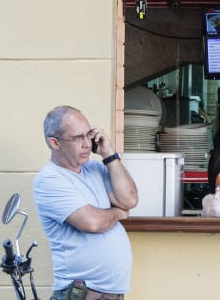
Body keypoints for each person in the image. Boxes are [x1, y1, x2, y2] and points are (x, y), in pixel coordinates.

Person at [33, 105, 139, 300]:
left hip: (110, 295)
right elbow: (91, 222)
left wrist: (109, 155)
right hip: (81, 295)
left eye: (88, 135)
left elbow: (129, 200)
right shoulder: (49, 179)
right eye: (77, 138)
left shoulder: (96, 168)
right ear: (55, 143)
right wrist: (118, 213)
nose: (87, 144)